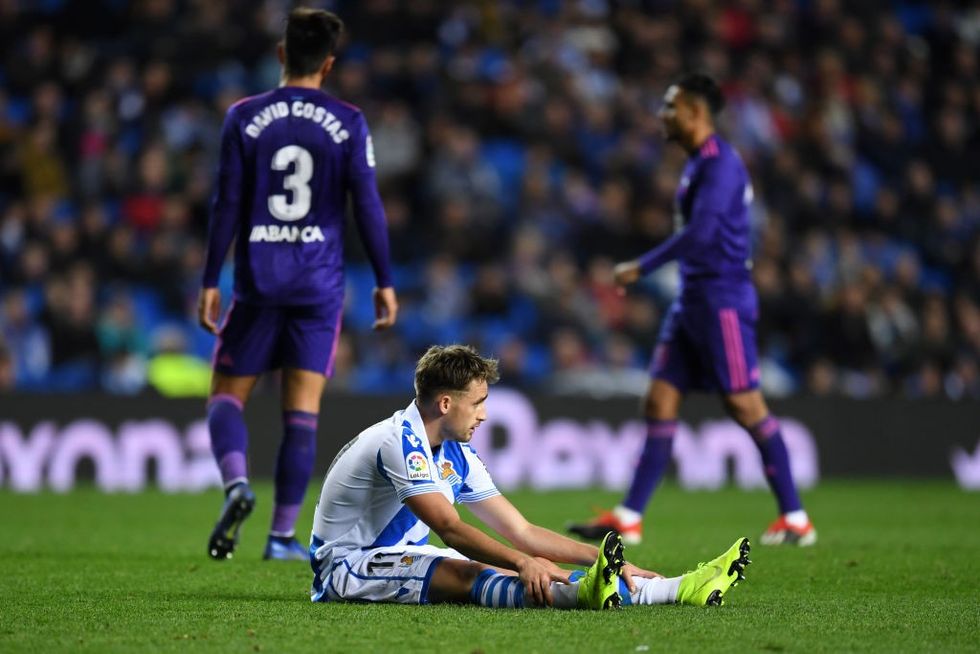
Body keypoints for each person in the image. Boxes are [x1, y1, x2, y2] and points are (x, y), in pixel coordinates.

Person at [567, 74, 816, 547]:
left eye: (670, 107)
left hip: (722, 299)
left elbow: (701, 235)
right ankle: (629, 516)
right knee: (659, 401)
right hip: (693, 299)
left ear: (696, 113)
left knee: (744, 405)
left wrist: (640, 267)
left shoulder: (720, 165)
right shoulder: (697, 163)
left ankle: (796, 517)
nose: (662, 115)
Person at [308, 344, 751, 609]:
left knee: (517, 570)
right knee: (474, 574)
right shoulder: (399, 440)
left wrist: (600, 558)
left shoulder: (456, 453)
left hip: (398, 552)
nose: (484, 414)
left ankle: (679, 588)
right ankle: (588, 597)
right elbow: (449, 526)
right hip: (346, 567)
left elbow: (520, 529)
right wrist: (522, 562)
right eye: (478, 402)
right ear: (446, 404)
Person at [198, 8, 398, 561]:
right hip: (318, 287)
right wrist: (384, 279)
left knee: (225, 397)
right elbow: (368, 206)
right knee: (302, 412)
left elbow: (227, 204)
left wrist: (211, 277)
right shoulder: (349, 121)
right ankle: (282, 537)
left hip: (258, 281)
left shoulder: (243, 116)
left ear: (282, 53)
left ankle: (237, 483)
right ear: (329, 64)